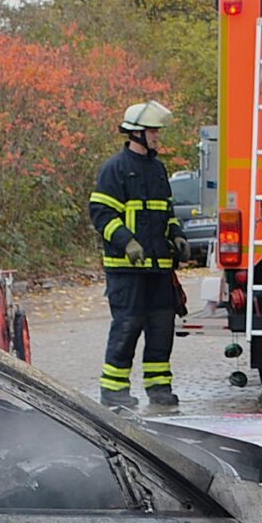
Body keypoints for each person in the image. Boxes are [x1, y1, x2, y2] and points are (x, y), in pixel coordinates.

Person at [90, 100, 181, 411]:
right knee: (127, 326)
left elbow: (165, 212)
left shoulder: (157, 169)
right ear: (137, 134)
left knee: (161, 327)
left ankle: (159, 387)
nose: (157, 135)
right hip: (126, 270)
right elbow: (101, 213)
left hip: (158, 268)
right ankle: (113, 390)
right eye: (153, 130)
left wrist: (177, 234)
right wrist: (127, 242)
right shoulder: (114, 169)